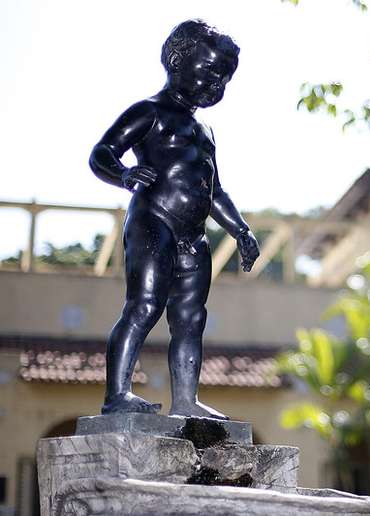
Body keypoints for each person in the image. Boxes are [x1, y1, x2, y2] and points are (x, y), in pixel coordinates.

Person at [88, 19, 260, 420]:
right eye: (208, 71)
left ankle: (186, 399)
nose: (215, 84)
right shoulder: (149, 112)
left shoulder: (205, 131)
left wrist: (240, 229)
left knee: (191, 318)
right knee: (144, 305)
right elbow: (102, 153)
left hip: (194, 236)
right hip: (154, 222)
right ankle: (117, 394)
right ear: (177, 60)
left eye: (223, 78)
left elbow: (215, 191)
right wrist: (124, 175)